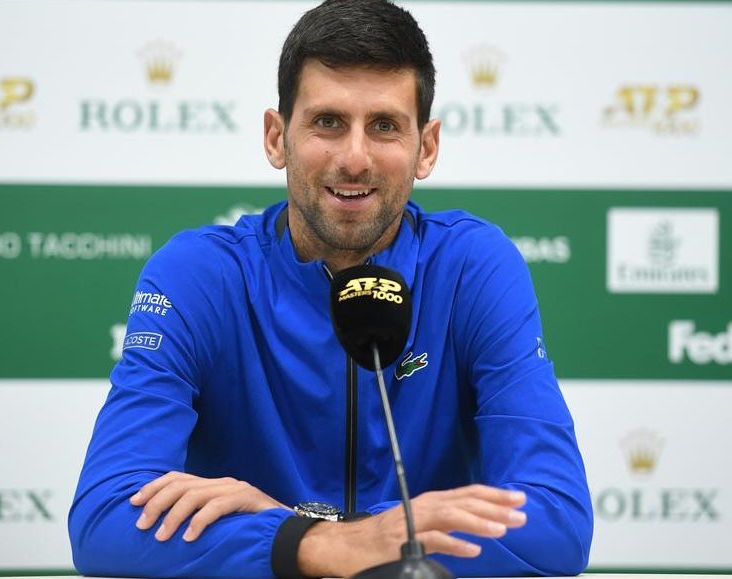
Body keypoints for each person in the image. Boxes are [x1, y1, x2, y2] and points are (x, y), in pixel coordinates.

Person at [69, 1, 593, 577]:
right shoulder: (198, 274)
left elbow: (557, 525)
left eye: (385, 126)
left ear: (427, 148)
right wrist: (319, 543)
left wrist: (315, 534)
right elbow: (105, 520)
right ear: (276, 138)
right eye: (328, 122)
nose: (355, 158)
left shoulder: (472, 266)